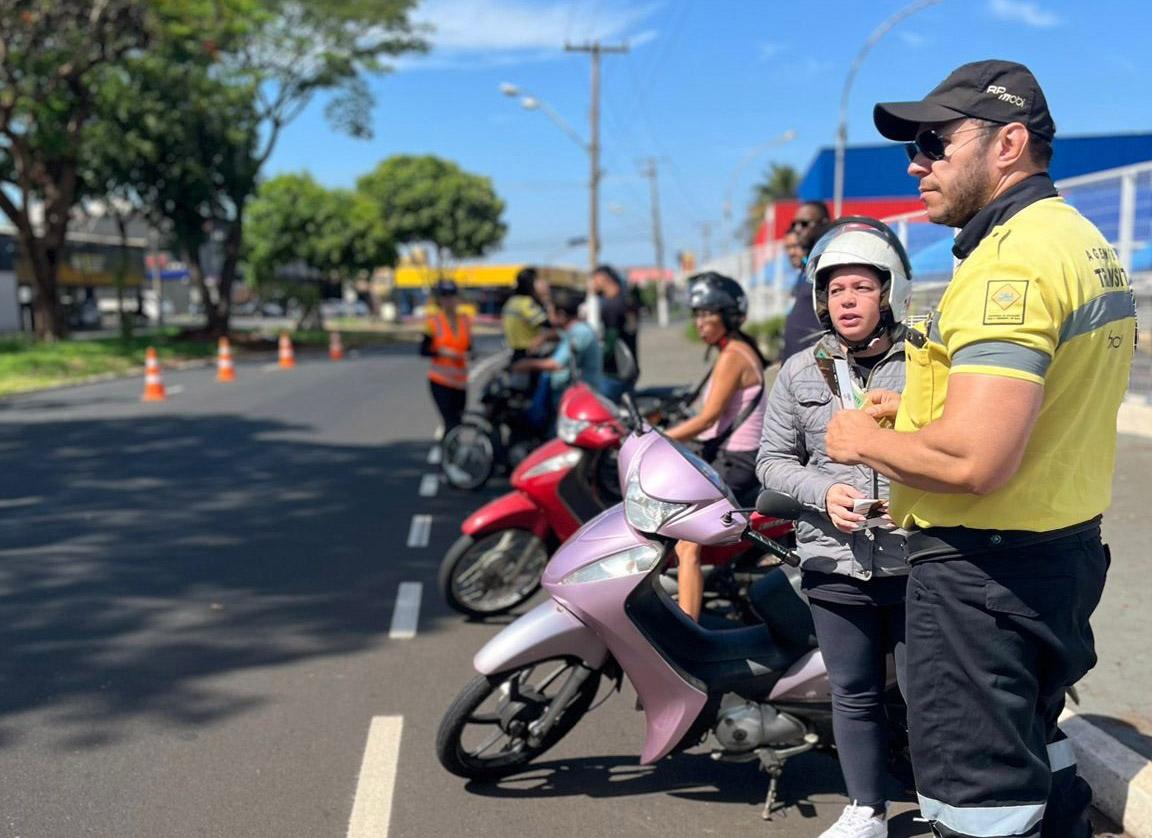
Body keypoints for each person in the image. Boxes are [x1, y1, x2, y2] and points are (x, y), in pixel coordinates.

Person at [825, 60, 1137, 838]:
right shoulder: (1074, 238)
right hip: (1055, 553)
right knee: (1038, 754)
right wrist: (921, 406)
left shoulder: (1010, 265)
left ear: (1009, 144)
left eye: (934, 142)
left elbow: (974, 462)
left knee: (979, 803)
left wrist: (863, 436)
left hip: (982, 577)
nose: (915, 164)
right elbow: (1046, 399)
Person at [757, 219, 912, 838]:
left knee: (927, 694)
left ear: (889, 292)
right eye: (835, 289)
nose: (846, 300)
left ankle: (942, 800)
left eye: (861, 288)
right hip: (831, 557)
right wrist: (826, 494)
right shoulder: (798, 371)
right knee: (853, 692)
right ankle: (866, 810)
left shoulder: (926, 361)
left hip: (913, 556)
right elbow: (772, 462)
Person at [663, 273, 768, 621]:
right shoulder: (734, 350)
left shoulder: (733, 356)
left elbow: (708, 419)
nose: (701, 323)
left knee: (687, 543)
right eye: (697, 314)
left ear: (728, 315)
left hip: (737, 462)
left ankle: (687, 629)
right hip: (726, 457)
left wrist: (658, 438)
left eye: (708, 314)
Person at [512, 287, 604, 408]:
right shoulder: (574, 329)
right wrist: (544, 337)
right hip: (568, 396)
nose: (548, 315)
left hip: (576, 401)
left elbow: (555, 364)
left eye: (551, 311)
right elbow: (561, 335)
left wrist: (525, 364)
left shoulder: (580, 332)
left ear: (561, 315)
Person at [420, 279, 473, 435]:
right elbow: (423, 350)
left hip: (460, 382)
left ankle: (454, 452)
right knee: (450, 421)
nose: (449, 300)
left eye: (452, 296)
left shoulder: (465, 321)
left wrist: (469, 354)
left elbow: (469, 347)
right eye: (445, 296)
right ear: (440, 299)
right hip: (440, 380)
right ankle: (448, 456)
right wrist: (442, 352)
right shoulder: (433, 322)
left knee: (458, 422)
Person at [781, 200, 832, 361]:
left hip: (815, 365)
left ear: (823, 223)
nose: (797, 229)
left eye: (804, 224)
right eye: (795, 223)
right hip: (794, 364)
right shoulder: (807, 267)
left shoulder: (829, 263)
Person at [593, 264, 640, 382]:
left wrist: (592, 360)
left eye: (594, 279)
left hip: (614, 373)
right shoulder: (627, 300)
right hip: (629, 368)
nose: (592, 284)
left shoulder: (611, 306)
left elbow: (610, 343)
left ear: (603, 278)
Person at [501, 266, 549, 362]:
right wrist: (546, 298)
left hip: (515, 351)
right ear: (531, 284)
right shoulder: (526, 303)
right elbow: (548, 324)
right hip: (528, 352)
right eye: (538, 281)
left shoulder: (512, 301)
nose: (544, 283)